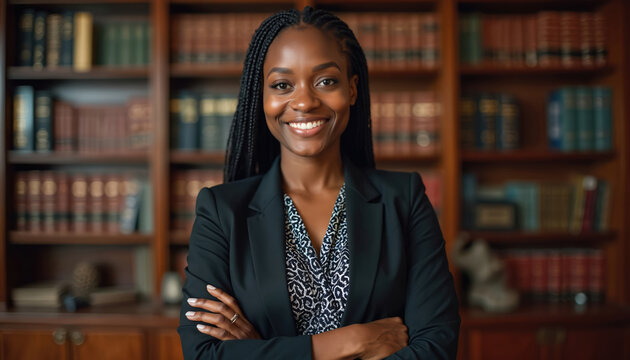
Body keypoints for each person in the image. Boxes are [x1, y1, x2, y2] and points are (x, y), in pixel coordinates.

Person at [178, 7, 460, 359]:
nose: (305, 101)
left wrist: (259, 351)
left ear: (352, 90)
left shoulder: (404, 200)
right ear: (261, 97)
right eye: (282, 85)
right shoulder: (221, 212)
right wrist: (351, 341)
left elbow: (436, 348)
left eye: (326, 81)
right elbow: (203, 354)